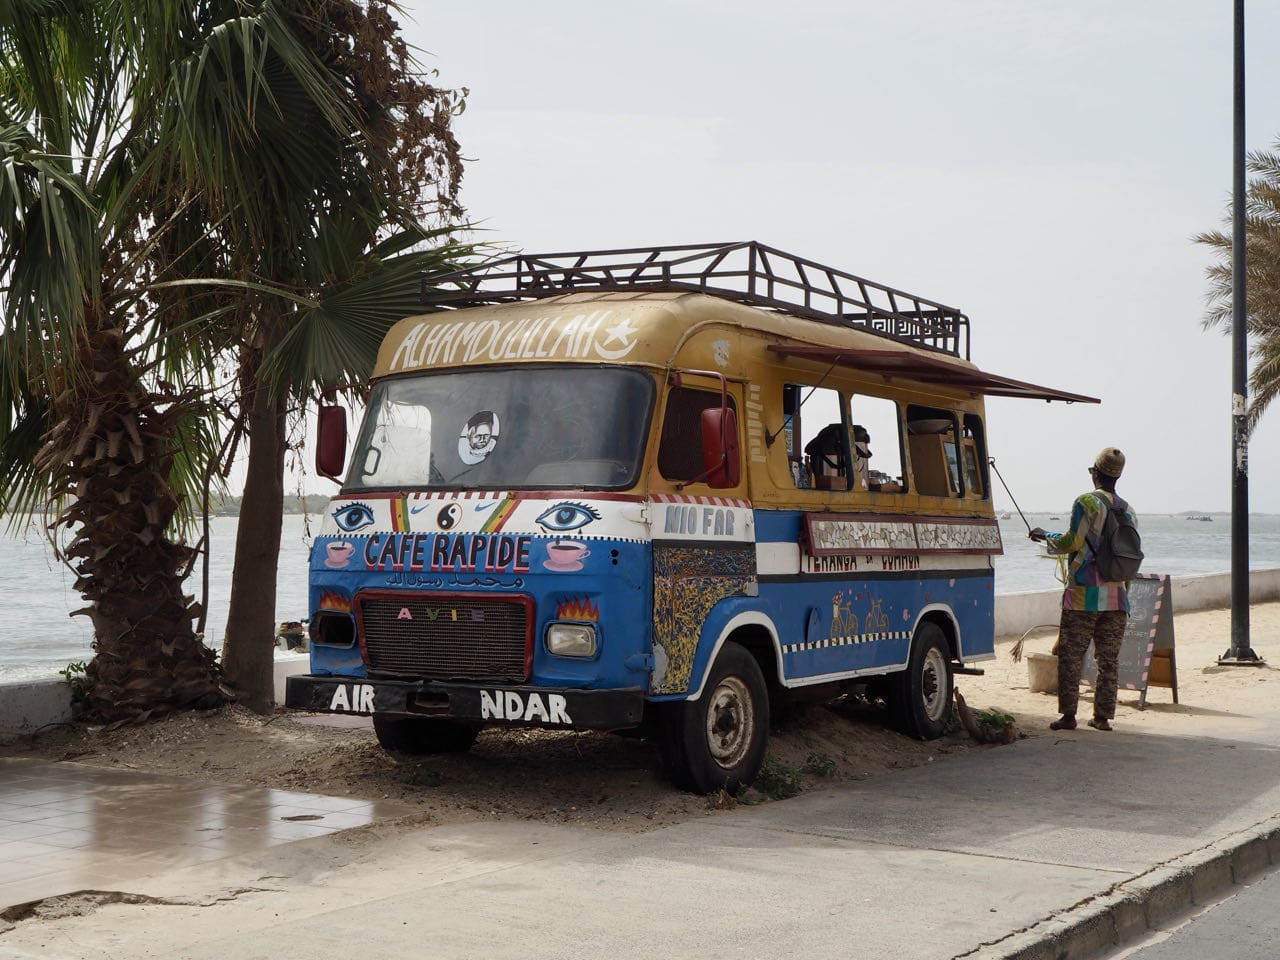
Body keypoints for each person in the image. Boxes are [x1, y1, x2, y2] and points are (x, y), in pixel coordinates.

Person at [1028, 446, 1136, 732]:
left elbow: (1071, 542)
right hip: (1116, 598)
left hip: (1082, 597)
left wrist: (1043, 536)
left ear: (1095, 473)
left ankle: (1068, 716)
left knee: (1071, 656)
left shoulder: (1086, 502)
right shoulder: (1128, 510)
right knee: (1108, 660)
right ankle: (1102, 718)